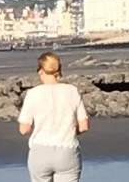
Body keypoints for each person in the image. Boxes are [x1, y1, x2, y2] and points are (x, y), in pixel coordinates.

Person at [18, 52, 89, 182]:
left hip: (40, 151)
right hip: (67, 151)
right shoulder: (72, 91)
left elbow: (24, 129)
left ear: (40, 71)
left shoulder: (33, 93)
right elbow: (84, 126)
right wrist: (71, 129)